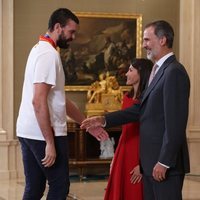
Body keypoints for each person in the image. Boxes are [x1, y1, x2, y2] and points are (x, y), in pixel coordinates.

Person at [81, 20, 190, 200]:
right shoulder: (158, 71)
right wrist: (103, 119)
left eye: (147, 40)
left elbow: (176, 124)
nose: (143, 45)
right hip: (150, 163)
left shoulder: (174, 72)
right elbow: (140, 109)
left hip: (164, 166)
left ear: (162, 40)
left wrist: (164, 161)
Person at [16, 8, 108, 200]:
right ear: (58, 27)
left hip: (28, 131)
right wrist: (50, 142)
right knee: (59, 187)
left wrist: (86, 124)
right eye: (71, 31)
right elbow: (38, 101)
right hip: (43, 133)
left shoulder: (38, 49)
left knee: (34, 188)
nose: (73, 37)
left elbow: (59, 100)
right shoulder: (48, 55)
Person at [104, 58, 153, 200]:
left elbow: (150, 134)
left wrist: (142, 164)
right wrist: (115, 158)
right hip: (123, 151)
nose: (126, 74)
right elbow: (125, 130)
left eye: (131, 70)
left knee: (134, 192)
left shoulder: (147, 100)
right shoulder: (126, 97)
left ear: (141, 73)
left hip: (139, 153)